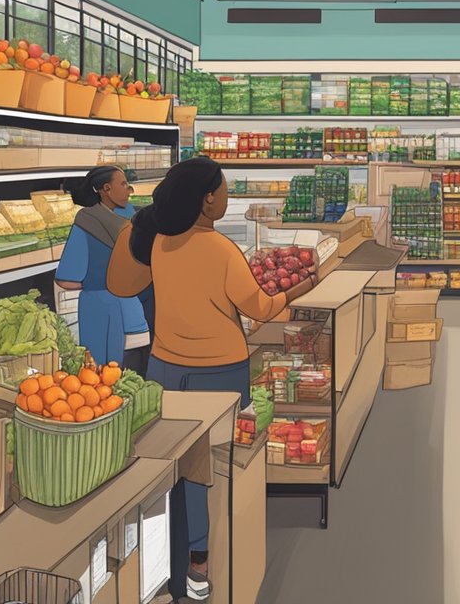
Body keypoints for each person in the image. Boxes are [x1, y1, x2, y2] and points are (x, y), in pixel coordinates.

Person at [107, 157, 314, 602]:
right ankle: (202, 564)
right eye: (223, 191)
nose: (227, 197)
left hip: (165, 367)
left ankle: (165, 566)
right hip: (219, 369)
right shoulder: (220, 250)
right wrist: (298, 290)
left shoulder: (159, 242)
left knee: (172, 467)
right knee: (214, 467)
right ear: (207, 200)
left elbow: (128, 283)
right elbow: (259, 307)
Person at [55, 166, 149, 370]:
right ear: (106, 188)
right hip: (140, 317)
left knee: (104, 383)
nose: (129, 189)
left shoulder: (86, 221)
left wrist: (97, 281)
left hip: (102, 314)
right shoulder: (133, 217)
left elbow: (66, 279)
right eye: (123, 184)